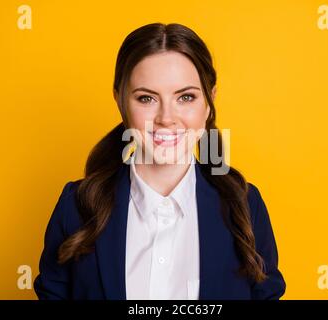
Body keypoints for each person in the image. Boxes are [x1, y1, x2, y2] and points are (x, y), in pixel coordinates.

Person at [34, 22, 286, 300]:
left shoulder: (246, 205)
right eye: (146, 98)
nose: (166, 118)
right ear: (119, 100)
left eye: (186, 97)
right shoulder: (76, 206)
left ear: (209, 102)